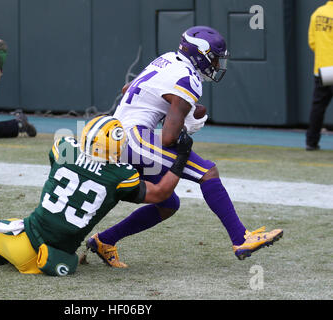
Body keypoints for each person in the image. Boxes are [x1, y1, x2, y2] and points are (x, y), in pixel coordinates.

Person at [86, 26, 283, 268]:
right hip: (134, 138)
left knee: (168, 204)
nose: (217, 65)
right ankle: (241, 238)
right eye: (214, 58)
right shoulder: (188, 78)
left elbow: (127, 89)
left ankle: (104, 241)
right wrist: (183, 130)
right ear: (200, 54)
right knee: (207, 172)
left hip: (115, 136)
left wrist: (175, 111)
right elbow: (169, 138)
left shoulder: (166, 59)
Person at [0, 115, 194, 276]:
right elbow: (161, 193)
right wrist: (181, 156)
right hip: (50, 256)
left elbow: (57, 161)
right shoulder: (120, 176)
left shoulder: (65, 148)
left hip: (27, 237)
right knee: (8, 256)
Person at [306, 0, 333, 151]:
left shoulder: (317, 13)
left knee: (318, 107)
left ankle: (311, 141)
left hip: (322, 68)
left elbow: (312, 42)